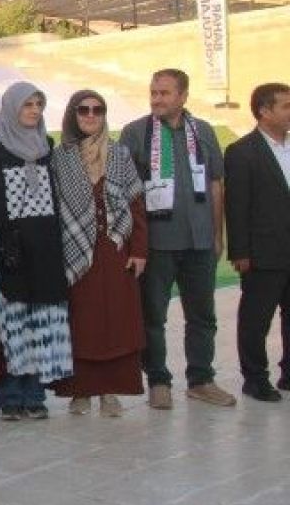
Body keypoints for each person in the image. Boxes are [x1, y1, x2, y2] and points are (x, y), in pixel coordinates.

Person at [119, 69, 234, 409]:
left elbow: (216, 184)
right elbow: (125, 192)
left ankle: (201, 380)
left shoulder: (204, 131)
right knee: (153, 316)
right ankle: (158, 381)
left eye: (164, 93)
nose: (156, 99)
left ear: (183, 96)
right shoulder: (135, 132)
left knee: (202, 316)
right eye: (153, 92)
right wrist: (134, 244)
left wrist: (217, 235)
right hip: (157, 243)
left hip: (199, 241)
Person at [0, 82, 72, 420]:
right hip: (9, 257)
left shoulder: (48, 147)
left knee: (40, 324)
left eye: (38, 105)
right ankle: (11, 398)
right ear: (11, 108)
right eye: (27, 105)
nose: (34, 111)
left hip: (45, 253)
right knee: (11, 327)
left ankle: (35, 396)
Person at [50, 90, 148, 417]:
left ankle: (110, 392)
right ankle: (80, 392)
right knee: (82, 323)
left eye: (98, 110)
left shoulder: (119, 153)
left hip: (115, 250)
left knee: (117, 322)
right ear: (73, 115)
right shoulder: (60, 157)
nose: (91, 115)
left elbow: (136, 204)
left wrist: (139, 251)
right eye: (84, 110)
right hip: (75, 252)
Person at [225, 82, 290, 401]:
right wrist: (240, 252)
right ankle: (255, 378)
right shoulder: (242, 152)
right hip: (263, 253)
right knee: (255, 321)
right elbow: (236, 206)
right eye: (286, 106)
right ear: (264, 111)